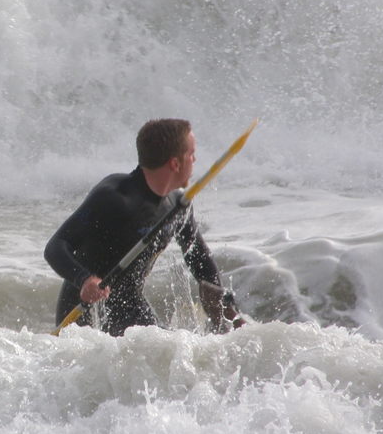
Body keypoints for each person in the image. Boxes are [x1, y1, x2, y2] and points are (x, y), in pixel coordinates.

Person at [45, 118, 244, 336]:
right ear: (175, 164)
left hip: (131, 308)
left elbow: (199, 259)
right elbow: (56, 246)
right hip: (84, 316)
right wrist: (84, 279)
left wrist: (227, 311)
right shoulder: (114, 197)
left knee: (172, 353)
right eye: (191, 154)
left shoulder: (177, 206)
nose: (195, 160)